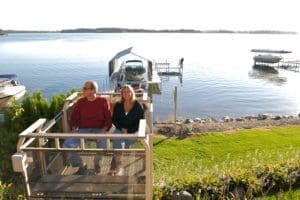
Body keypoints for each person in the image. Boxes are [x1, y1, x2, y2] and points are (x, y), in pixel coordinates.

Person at [63, 80, 112, 174]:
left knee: (104, 145)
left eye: (85, 88)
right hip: (83, 130)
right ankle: (81, 165)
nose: (83, 90)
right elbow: (73, 118)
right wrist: (73, 129)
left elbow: (108, 119)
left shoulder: (103, 101)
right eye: (83, 88)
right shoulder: (80, 102)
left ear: (94, 90)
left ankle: (97, 163)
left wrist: (103, 131)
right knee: (67, 144)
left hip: (99, 130)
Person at [110, 84, 145, 175]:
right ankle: (120, 166)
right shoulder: (118, 105)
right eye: (124, 92)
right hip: (119, 130)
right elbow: (114, 119)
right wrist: (122, 128)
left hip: (132, 132)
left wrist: (128, 131)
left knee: (121, 147)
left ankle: (114, 166)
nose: (126, 93)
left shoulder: (137, 106)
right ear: (122, 94)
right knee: (118, 141)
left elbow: (141, 122)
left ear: (132, 93)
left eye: (128, 91)